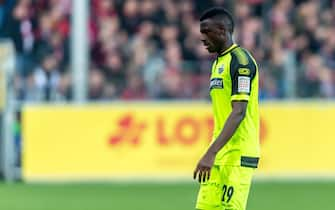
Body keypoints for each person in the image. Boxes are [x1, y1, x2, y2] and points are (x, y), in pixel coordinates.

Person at [193, 7, 260, 210]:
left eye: (207, 32)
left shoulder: (240, 62)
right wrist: (214, 152)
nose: (202, 38)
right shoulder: (218, 63)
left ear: (222, 30)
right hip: (220, 153)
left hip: (237, 155)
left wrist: (210, 153)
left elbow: (238, 111)